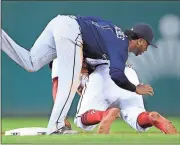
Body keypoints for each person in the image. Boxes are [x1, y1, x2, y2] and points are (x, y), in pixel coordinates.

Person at [1, 14, 155, 134]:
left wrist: (79, 57)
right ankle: (56, 126)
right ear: (140, 40)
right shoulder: (121, 46)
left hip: (61, 22)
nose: (147, 48)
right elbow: (116, 74)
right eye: (148, 44)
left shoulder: (113, 28)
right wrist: (135, 89)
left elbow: (90, 22)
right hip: (72, 32)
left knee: (31, 62)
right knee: (70, 82)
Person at [74, 61, 178, 134]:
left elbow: (80, 65)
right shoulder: (116, 39)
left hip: (101, 74)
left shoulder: (86, 40)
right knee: (137, 116)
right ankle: (150, 117)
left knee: (81, 120)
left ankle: (104, 115)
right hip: (128, 73)